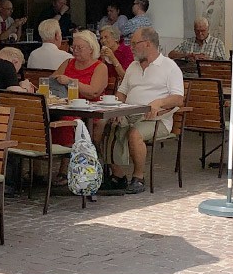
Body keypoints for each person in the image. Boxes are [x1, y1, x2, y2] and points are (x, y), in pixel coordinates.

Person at [107, 27, 184, 194]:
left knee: (135, 134)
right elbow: (122, 93)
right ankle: (118, 176)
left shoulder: (169, 66)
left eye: (134, 43)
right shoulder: (133, 67)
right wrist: (114, 109)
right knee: (105, 126)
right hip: (129, 113)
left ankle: (138, 178)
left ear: (148, 44)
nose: (131, 47)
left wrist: (160, 102)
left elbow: (178, 99)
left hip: (156, 119)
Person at [51, 30, 109, 184]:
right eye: (73, 47)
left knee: (69, 121)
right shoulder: (68, 63)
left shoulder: (100, 67)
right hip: (65, 106)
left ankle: (69, 168)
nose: (75, 51)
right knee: (44, 118)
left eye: (79, 48)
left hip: (89, 110)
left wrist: (71, 81)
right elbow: (51, 81)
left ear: (91, 48)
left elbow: (94, 91)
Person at [99, 26, 134, 90]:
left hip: (122, 89)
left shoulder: (126, 51)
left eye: (106, 37)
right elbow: (99, 77)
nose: (103, 40)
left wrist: (113, 58)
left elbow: (125, 76)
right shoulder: (101, 53)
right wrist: (103, 60)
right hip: (106, 89)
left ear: (115, 38)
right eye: (101, 38)